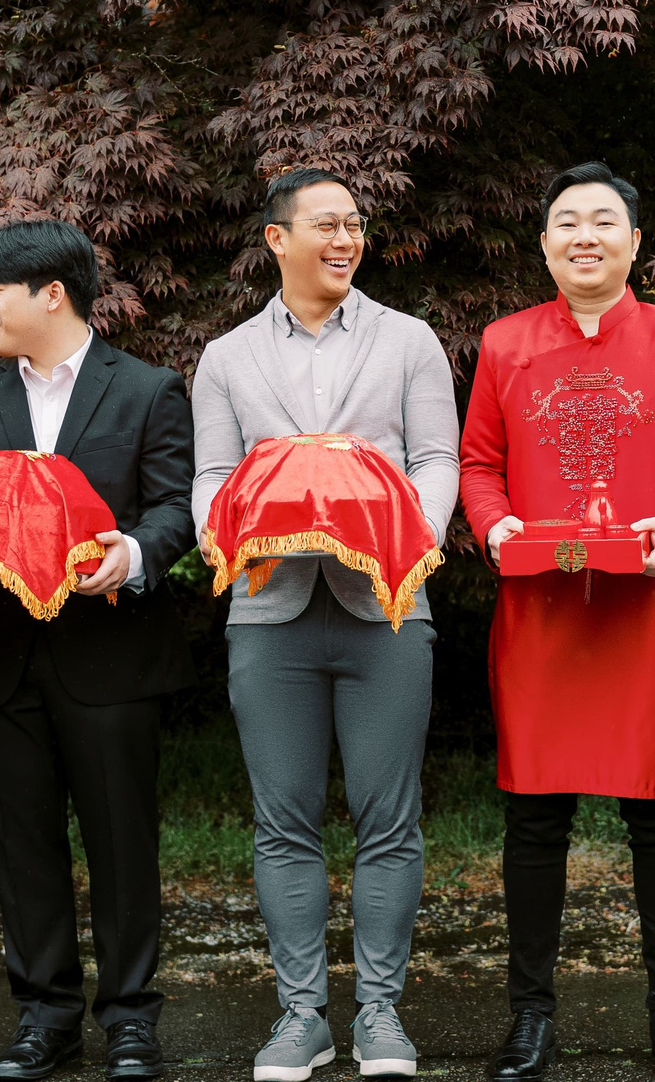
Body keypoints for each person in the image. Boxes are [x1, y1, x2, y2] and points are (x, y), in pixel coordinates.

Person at [460, 162, 655, 1082]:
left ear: (634, 241)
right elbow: (477, 463)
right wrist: (495, 521)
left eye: (603, 220)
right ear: (543, 245)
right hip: (541, 614)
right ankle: (530, 1015)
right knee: (535, 821)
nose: (584, 235)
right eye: (565, 222)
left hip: (645, 607)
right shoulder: (505, 343)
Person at [191, 168, 461, 1082]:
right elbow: (210, 476)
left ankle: (380, 1011)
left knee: (390, 819)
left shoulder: (409, 340)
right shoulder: (225, 357)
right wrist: (220, 529)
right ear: (277, 238)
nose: (345, 239)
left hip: (385, 610)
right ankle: (300, 1014)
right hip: (269, 609)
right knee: (284, 821)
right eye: (326, 225)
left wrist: (405, 538)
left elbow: (435, 459)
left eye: (355, 224)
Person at [0, 220, 196, 1082]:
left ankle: (133, 1021)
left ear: (53, 294)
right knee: (19, 843)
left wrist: (136, 553)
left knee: (122, 841)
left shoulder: (147, 390)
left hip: (110, 650)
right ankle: (45, 1016)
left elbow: (176, 505)